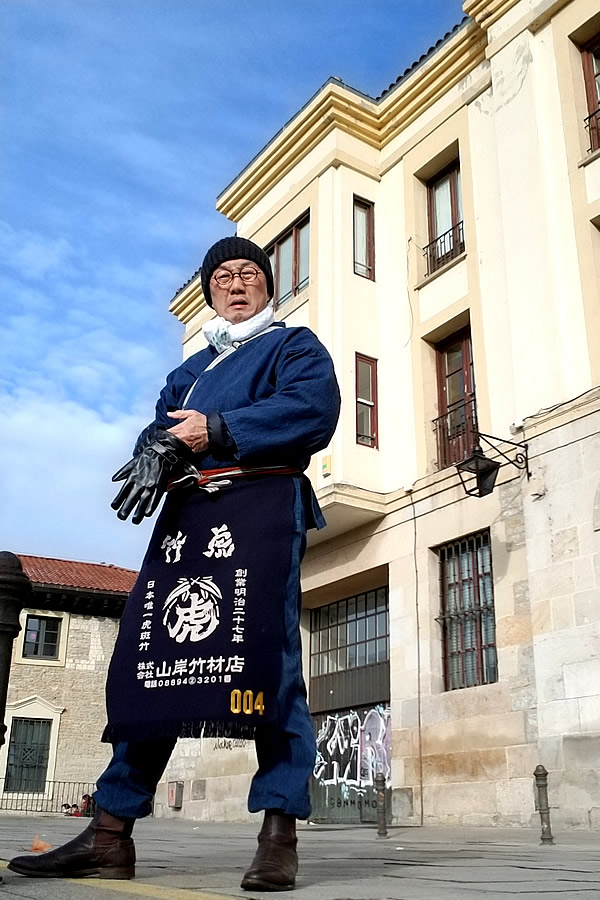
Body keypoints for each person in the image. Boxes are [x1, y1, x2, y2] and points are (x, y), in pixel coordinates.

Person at [9, 236, 340, 891]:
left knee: (268, 663)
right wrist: (153, 450)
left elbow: (312, 412)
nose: (237, 284)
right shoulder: (187, 372)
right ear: (211, 291)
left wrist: (211, 430)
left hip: (260, 505)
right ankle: (109, 833)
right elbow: (161, 430)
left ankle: (279, 832)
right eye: (223, 277)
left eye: (250, 274)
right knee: (149, 664)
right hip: (188, 518)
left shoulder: (294, 347)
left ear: (266, 287)